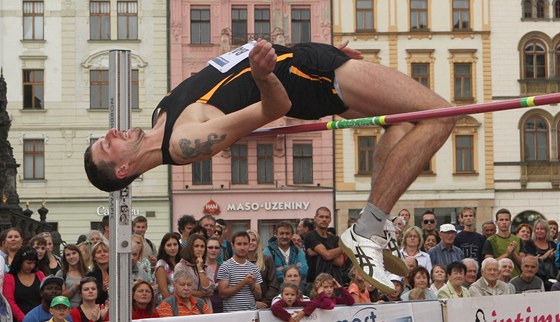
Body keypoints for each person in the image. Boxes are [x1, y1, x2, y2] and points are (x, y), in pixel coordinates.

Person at [84, 39, 455, 291]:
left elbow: (228, 69)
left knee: (403, 122)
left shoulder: (161, 114)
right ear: (122, 171)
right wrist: (266, 75)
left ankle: (375, 226)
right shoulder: (185, 142)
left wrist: (307, 51)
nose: (112, 132)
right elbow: (272, 108)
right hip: (306, 76)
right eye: (107, 143)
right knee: (442, 116)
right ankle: (369, 226)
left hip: (305, 61)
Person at [217, 231, 263, 312]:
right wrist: (244, 282)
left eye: (245, 244)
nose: (242, 247)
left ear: (249, 245)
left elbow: (259, 296)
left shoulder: (254, 268)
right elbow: (222, 294)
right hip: (232, 315)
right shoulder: (225, 266)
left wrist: (252, 285)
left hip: (251, 315)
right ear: (233, 246)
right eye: (239, 244)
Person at [304, 207, 345, 286]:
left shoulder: (335, 239)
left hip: (335, 282)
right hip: (315, 282)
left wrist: (319, 253)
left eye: (327, 217)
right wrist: (343, 248)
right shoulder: (310, 236)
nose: (324, 219)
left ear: (330, 219)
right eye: (321, 217)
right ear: (315, 218)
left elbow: (340, 262)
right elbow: (327, 255)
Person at [3, 246, 45, 322]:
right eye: (28, 263)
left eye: (34, 263)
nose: (32, 266)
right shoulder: (9, 278)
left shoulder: (40, 275)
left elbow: (45, 298)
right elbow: (10, 302)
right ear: (20, 262)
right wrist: (25, 319)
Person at [174, 234, 214, 310]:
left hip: (205, 308)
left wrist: (200, 269)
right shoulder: (181, 266)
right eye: (196, 246)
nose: (199, 249)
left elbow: (208, 290)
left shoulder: (208, 268)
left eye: (202, 246)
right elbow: (182, 290)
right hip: (186, 307)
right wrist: (203, 294)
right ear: (190, 248)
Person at [483, 208, 525, 277]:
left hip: (515, 279)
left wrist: (513, 253)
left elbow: (523, 264)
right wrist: (506, 254)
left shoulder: (518, 240)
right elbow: (488, 264)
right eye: (501, 220)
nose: (504, 222)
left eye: (506, 220)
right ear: (496, 222)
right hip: (497, 279)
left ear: (510, 222)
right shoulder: (490, 240)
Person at [263, 221, 308, 285]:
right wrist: (295, 268)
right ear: (276, 234)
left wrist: (281, 268)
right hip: (275, 292)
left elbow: (304, 271)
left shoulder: (298, 251)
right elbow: (268, 274)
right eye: (281, 233)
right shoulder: (268, 251)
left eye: (287, 233)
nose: (284, 236)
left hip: (295, 292)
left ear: (292, 235)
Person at [524, 218, 557, 291]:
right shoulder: (529, 244)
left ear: (546, 231)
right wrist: (545, 256)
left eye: (542, 229)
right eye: (537, 228)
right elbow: (530, 261)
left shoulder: (553, 244)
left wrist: (553, 257)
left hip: (551, 279)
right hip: (535, 278)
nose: (539, 231)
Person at [154, 233, 181, 303]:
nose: (173, 248)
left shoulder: (181, 262)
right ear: (163, 247)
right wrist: (175, 306)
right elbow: (164, 291)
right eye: (169, 245)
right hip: (167, 304)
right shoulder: (161, 264)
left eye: (175, 244)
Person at [204, 237, 223, 313]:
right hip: (203, 308)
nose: (213, 250)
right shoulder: (199, 267)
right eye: (210, 247)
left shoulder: (223, 267)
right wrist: (215, 286)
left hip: (220, 309)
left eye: (216, 248)